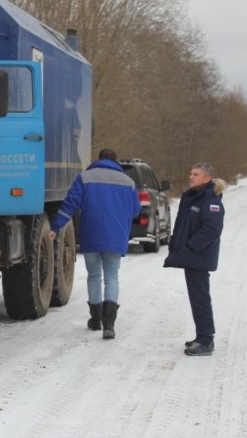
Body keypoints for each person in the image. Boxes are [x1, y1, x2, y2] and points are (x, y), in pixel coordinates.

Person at [49, 149, 141, 339]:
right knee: (112, 277)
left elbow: (70, 204)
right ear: (116, 162)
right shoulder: (128, 182)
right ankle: (109, 324)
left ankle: (95, 320)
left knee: (93, 275)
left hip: (91, 233)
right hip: (115, 236)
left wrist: (55, 227)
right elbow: (135, 211)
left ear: (98, 159)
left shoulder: (85, 177)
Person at [163, 163, 226, 356]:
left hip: (199, 257)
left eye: (196, 174)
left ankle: (206, 340)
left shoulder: (210, 199)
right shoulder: (193, 197)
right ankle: (202, 336)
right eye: (190, 173)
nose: (191, 177)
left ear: (207, 178)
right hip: (192, 257)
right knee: (196, 297)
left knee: (200, 298)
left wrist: (191, 246)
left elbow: (212, 230)